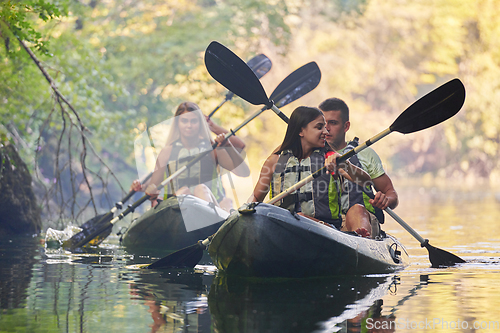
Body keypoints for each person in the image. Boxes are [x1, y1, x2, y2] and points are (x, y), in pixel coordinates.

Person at [247, 106, 370, 230]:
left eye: (325, 127)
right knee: (297, 219)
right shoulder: (274, 161)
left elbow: (365, 181)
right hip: (283, 227)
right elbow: (256, 198)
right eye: (319, 127)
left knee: (300, 217)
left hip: (325, 229)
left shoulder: (329, 159)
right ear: (301, 131)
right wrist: (245, 212)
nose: (326, 132)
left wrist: (345, 164)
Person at [131, 101, 249, 211]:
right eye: (184, 121)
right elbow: (153, 187)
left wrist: (227, 145)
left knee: (200, 189)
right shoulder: (167, 152)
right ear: (178, 123)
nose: (189, 125)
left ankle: (213, 227)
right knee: (183, 192)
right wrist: (145, 189)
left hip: (211, 204)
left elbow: (244, 172)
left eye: (194, 121)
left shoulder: (212, 149)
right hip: (180, 208)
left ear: (201, 123)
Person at [318, 97, 399, 238]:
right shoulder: (309, 154)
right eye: (323, 124)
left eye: (333, 123)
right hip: (325, 225)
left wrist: (386, 200)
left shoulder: (365, 154)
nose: (327, 129)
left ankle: (360, 242)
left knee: (356, 210)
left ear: (346, 126)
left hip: (361, 219)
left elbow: (391, 193)